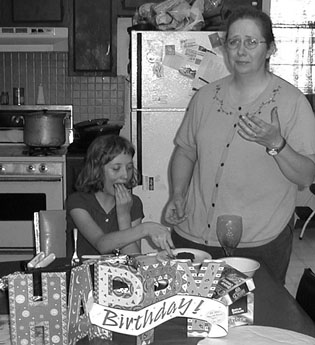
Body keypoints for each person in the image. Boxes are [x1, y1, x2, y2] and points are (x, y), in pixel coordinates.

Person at [164, 6, 315, 285]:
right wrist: (178, 193)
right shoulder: (206, 97)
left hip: (257, 242)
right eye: (234, 42)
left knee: (254, 323)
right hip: (193, 235)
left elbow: (307, 176)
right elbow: (186, 150)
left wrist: (277, 144)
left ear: (270, 49)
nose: (241, 50)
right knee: (190, 320)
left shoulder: (293, 104)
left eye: (251, 42)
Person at [66, 134, 174, 257]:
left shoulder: (134, 203)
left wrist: (124, 216)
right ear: (96, 171)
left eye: (129, 168)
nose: (125, 175)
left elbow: (133, 257)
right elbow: (101, 244)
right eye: (116, 168)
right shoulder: (78, 201)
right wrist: (145, 229)